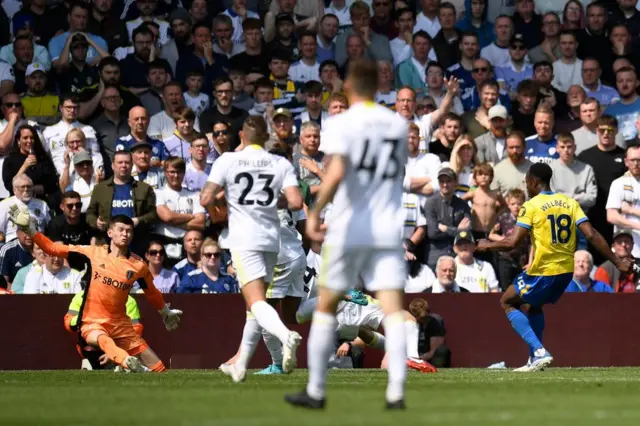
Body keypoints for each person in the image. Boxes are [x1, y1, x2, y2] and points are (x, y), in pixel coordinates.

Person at [284, 59, 408, 409]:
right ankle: (396, 392)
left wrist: (316, 212)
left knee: (325, 305)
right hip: (386, 225)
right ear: (379, 87)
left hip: (351, 224)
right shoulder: (397, 124)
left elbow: (336, 172)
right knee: (392, 308)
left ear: (350, 87)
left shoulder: (342, 123)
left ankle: (316, 391)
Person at [476, 162, 634, 372]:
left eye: (527, 182)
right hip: (566, 272)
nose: (526, 186)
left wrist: (487, 245)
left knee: (507, 301)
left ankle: (539, 351)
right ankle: (535, 358)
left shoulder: (530, 206)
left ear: (533, 181)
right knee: (534, 306)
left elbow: (512, 242)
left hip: (544, 270)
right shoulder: (569, 203)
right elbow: (592, 234)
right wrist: (618, 261)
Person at [10, 209, 182, 372]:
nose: (125, 234)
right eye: (121, 230)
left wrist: (165, 311)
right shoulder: (92, 253)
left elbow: (151, 292)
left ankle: (137, 371)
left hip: (121, 325)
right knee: (102, 339)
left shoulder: (139, 265)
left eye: (129, 231)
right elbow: (53, 249)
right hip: (93, 321)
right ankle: (126, 361)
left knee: (159, 369)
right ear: (110, 233)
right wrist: (30, 229)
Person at [201, 115, 303, 383]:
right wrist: (269, 202)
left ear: (242, 137)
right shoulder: (279, 162)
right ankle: (241, 366)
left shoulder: (227, 161)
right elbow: (295, 201)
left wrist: (224, 203)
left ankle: (285, 335)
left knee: (256, 302)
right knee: (254, 307)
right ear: (266, 136)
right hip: (272, 240)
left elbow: (205, 198)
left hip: (244, 239)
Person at [424, 167, 472, 270]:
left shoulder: (463, 205)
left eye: (448, 181)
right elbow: (433, 233)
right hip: (436, 257)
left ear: (455, 182)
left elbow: (467, 233)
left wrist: (446, 229)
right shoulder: (431, 203)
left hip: (458, 257)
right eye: (442, 181)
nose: (445, 184)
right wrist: (458, 230)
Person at [2, 125, 58, 205]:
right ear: (18, 141)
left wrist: (30, 189)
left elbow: (52, 185)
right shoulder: (10, 161)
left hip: (40, 203)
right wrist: (25, 166)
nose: (29, 141)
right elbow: (10, 186)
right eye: (25, 138)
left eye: (32, 138)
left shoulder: (43, 159)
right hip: (18, 204)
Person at [489, 188, 530, 291]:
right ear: (508, 204)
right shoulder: (503, 218)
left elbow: (532, 243)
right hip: (505, 259)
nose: (516, 207)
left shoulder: (528, 221)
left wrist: (531, 262)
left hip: (522, 261)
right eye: (513, 204)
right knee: (506, 289)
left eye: (519, 204)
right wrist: (504, 239)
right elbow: (491, 235)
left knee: (521, 289)